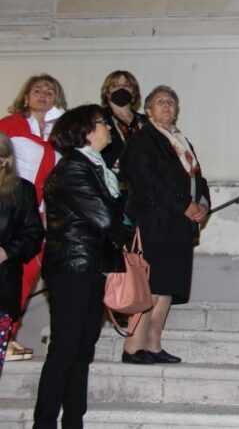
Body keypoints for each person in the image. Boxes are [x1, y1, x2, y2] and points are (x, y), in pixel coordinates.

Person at [33, 104, 129, 429]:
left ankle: (73, 421)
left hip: (91, 267)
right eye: (103, 123)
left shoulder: (97, 168)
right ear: (87, 131)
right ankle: (44, 422)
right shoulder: (75, 168)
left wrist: (120, 216)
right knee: (65, 350)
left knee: (82, 350)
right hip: (73, 267)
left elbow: (111, 216)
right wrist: (124, 222)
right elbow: (105, 218)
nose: (109, 128)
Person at [120, 86, 210, 365]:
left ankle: (154, 344)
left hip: (179, 226)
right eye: (161, 102)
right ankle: (133, 347)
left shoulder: (181, 141)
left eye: (171, 102)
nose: (167, 106)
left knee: (167, 286)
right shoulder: (143, 140)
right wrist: (183, 205)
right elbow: (149, 181)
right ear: (148, 110)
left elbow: (199, 179)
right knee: (150, 286)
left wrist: (204, 205)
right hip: (155, 222)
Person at [0, 73, 67, 361]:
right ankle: (7, 334)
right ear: (25, 97)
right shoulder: (9, 126)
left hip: (43, 216)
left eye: (50, 91)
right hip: (11, 208)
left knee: (26, 279)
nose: (43, 94)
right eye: (36, 90)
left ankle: (8, 332)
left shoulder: (61, 133)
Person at [0, 133, 44, 377]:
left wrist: (7, 251)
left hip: (3, 284)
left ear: (5, 160)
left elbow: (34, 235)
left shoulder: (22, 191)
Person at [98, 70, 148, 179]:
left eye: (126, 85)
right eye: (115, 85)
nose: (121, 88)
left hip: (144, 187)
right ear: (107, 93)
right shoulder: (98, 120)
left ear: (134, 92)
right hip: (110, 185)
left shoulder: (147, 122)